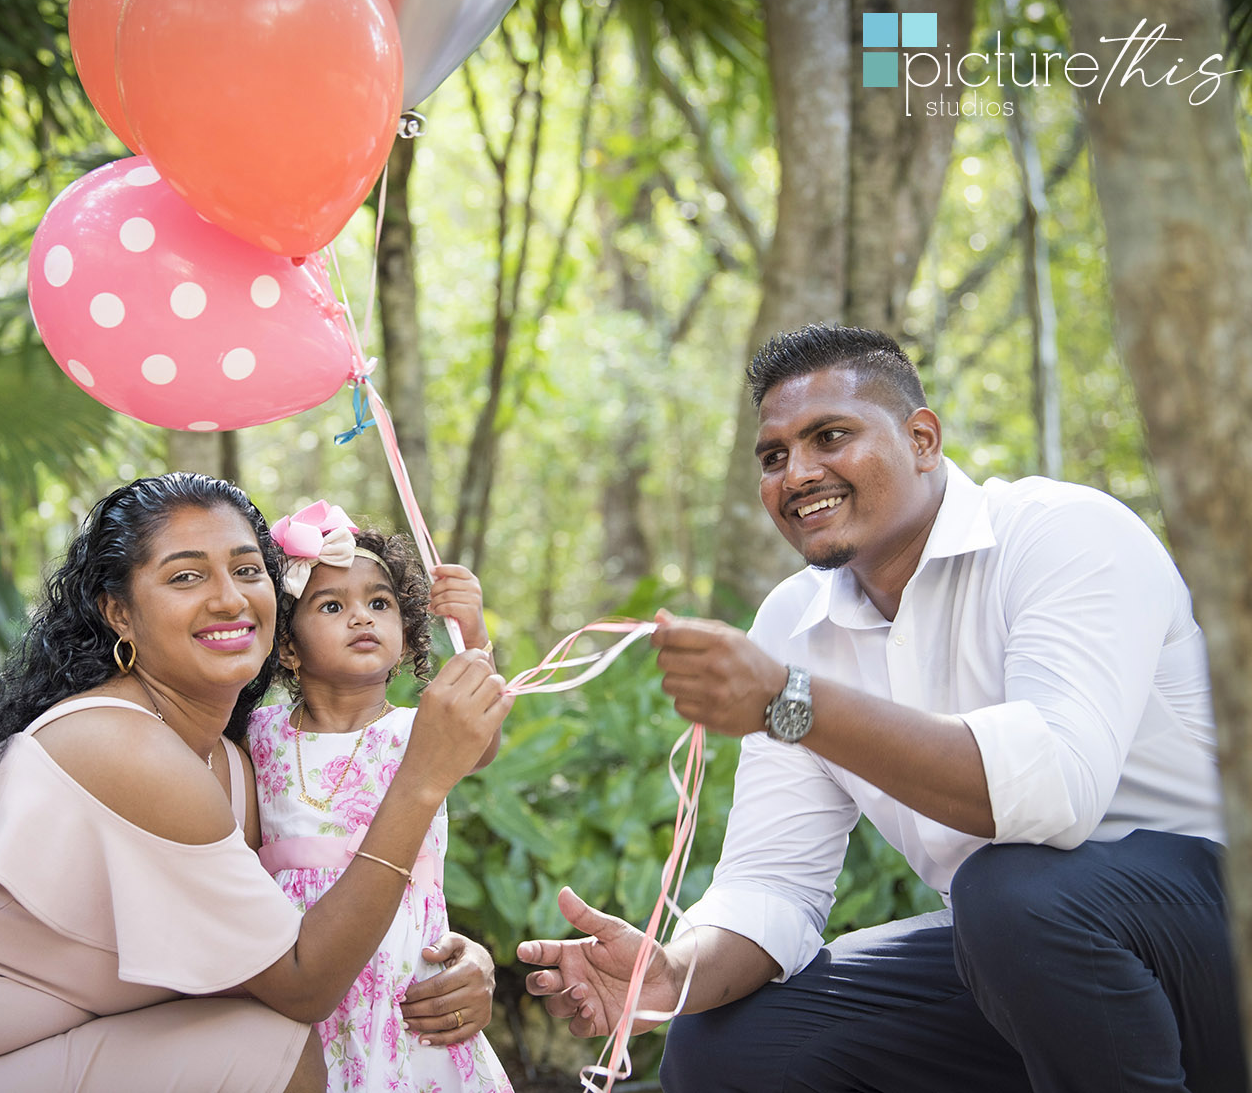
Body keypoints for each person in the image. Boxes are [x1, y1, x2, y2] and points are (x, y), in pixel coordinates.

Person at [518, 325, 1244, 1093]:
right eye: (773, 457)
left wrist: (786, 702)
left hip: (1218, 937)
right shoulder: (792, 625)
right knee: (728, 1047)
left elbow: (1056, 791)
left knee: (1011, 894)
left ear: (923, 439)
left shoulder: (1065, 534)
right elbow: (774, 884)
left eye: (829, 436)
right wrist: (671, 974)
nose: (797, 473)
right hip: (1029, 963)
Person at [0, 473, 512, 1093]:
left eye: (247, 570)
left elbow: (269, 945)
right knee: (266, 1053)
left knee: (256, 1038)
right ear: (120, 612)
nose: (228, 596)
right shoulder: (124, 746)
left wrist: (444, 963)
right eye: (186, 576)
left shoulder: (230, 763)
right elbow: (302, 986)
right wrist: (419, 784)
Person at [246, 499, 513, 1092]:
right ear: (287, 647)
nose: (361, 617)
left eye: (379, 603)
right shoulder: (260, 736)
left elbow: (483, 735)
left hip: (405, 987)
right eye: (332, 605)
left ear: (405, 634)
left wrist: (473, 631)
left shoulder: (420, 731)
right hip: (302, 968)